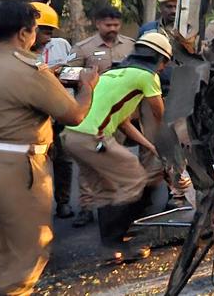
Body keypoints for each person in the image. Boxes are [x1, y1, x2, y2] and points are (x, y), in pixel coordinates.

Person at [0, 0, 97, 295]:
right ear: (23, 33)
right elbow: (73, 115)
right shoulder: (30, 70)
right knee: (29, 248)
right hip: (12, 169)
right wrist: (88, 87)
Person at [63, 31, 170, 263]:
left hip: (72, 137)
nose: (162, 69)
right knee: (135, 177)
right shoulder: (147, 76)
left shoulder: (116, 73)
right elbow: (159, 113)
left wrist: (151, 147)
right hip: (93, 139)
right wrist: (168, 142)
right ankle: (120, 238)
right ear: (160, 60)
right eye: (164, 64)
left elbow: (122, 121)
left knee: (107, 190)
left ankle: (110, 249)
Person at [69, 5, 136, 227]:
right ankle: (87, 206)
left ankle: (114, 204)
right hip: (92, 113)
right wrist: (90, 77)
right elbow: (66, 74)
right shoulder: (83, 48)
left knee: (115, 157)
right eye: (108, 25)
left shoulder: (130, 45)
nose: (113, 29)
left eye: (116, 25)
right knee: (89, 162)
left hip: (119, 113)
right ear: (97, 24)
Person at [30, 2, 78, 220]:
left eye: (50, 31)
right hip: (34, 117)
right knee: (35, 164)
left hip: (60, 112)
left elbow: (70, 71)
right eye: (43, 31)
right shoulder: (18, 52)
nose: (47, 36)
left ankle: (64, 202)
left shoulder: (61, 45)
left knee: (64, 160)